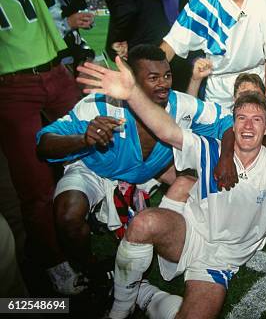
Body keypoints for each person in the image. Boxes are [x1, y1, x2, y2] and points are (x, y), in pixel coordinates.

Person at [75, 60, 266, 319]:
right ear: (233, 123)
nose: (248, 126)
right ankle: (120, 309)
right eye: (242, 119)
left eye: (256, 120)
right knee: (142, 223)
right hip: (191, 232)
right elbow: (167, 129)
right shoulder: (209, 149)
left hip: (220, 261)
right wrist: (132, 94)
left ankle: (149, 296)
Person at [36, 44, 233, 290]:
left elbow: (226, 120)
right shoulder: (99, 104)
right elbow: (44, 143)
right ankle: (91, 269)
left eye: (167, 75)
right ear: (133, 79)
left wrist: (225, 158)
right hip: (95, 170)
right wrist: (83, 139)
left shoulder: (181, 105)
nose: (164, 84)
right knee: (68, 215)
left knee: (204, 187)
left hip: (148, 173)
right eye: (153, 78)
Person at [0, 0, 81, 294]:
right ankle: (54, 261)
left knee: (91, 144)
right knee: (34, 186)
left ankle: (91, 216)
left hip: (55, 71)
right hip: (11, 83)